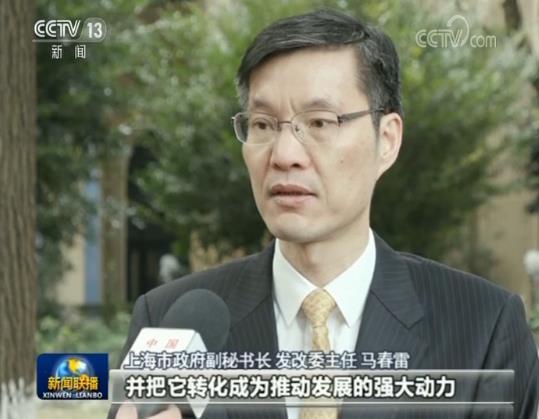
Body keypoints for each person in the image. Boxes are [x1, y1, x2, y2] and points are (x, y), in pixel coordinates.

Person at [111, 8, 539, 419]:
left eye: (319, 122)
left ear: (387, 140)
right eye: (263, 125)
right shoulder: (169, 323)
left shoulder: (483, 327)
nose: (284, 155)